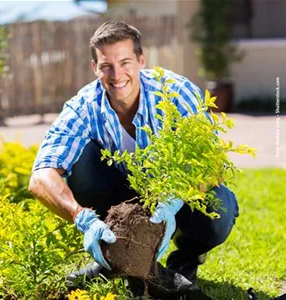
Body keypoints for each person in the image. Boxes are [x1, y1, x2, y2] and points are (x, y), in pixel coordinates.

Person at [28, 20, 239, 294]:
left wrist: (174, 200)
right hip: (119, 200)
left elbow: (211, 163)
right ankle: (115, 256)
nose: (117, 75)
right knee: (81, 162)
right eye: (106, 66)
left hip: (175, 194)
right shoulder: (83, 106)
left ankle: (186, 257)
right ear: (95, 68)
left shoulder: (175, 92)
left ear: (141, 60)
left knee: (218, 210)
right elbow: (41, 176)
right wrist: (82, 218)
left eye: (125, 62)